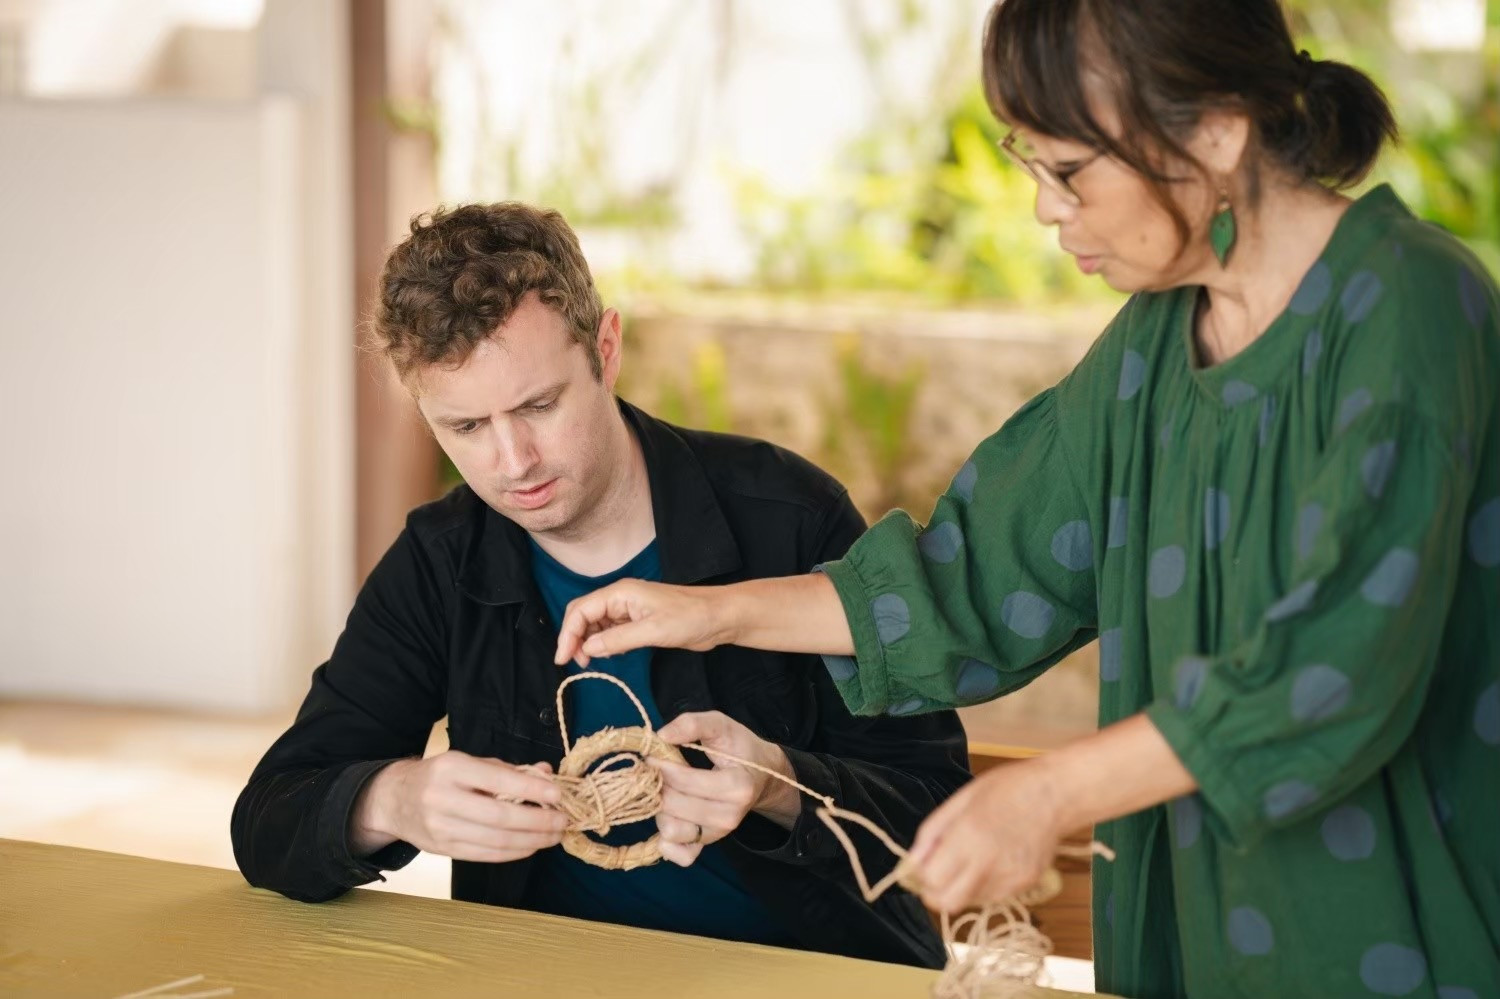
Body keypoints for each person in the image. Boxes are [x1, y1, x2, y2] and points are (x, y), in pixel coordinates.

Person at [552, 1, 1500, 995]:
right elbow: (971, 576)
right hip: (1186, 933)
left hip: (1389, 930)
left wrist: (1045, 796)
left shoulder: (1412, 306)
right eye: (1031, 165)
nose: (1047, 209)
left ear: (1219, 130)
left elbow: (1331, 666)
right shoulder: (1155, 340)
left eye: (1070, 170)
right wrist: (711, 613)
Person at [230, 202, 970, 967]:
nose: (513, 461)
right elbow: (268, 821)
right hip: (544, 975)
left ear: (606, 350)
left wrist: (779, 786)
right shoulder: (439, 560)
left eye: (539, 405)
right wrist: (390, 800)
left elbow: (937, 806)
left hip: (810, 971)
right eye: (466, 428)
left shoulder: (791, 517)